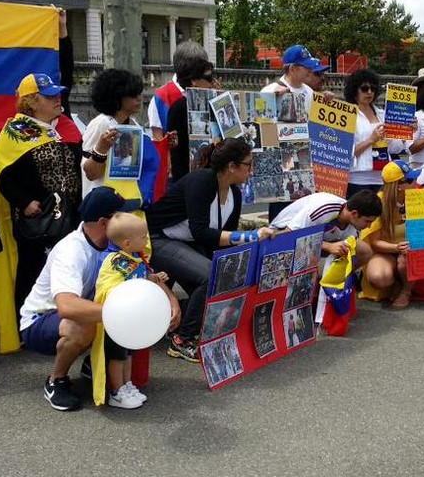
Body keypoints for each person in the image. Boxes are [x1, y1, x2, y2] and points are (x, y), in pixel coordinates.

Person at [144, 139, 274, 362]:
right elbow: (201, 231)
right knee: (211, 275)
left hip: (186, 241)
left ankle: (178, 321)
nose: (251, 170)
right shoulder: (202, 180)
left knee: (221, 277)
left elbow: (222, 241)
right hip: (157, 239)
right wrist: (251, 236)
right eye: (248, 164)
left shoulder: (235, 194)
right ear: (232, 166)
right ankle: (182, 341)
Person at [19, 187, 133, 410]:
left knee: (121, 307)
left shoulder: (115, 244)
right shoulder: (71, 250)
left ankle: (95, 363)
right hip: (39, 320)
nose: (128, 220)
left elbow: (142, 275)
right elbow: (67, 306)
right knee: (83, 324)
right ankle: (56, 380)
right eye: (121, 216)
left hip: (78, 313)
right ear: (103, 223)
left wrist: (168, 297)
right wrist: (120, 312)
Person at [0, 73, 83, 320]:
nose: (57, 99)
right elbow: (4, 174)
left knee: (64, 267)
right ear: (31, 102)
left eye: (58, 94)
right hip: (38, 217)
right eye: (49, 96)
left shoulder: (63, 126)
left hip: (68, 213)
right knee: (32, 268)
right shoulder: (16, 131)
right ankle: (27, 319)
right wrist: (24, 202)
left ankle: (60, 317)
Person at [92, 212, 180, 409]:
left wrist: (154, 278)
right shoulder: (117, 261)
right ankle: (116, 391)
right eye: (142, 237)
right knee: (117, 356)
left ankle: (127, 384)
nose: (146, 240)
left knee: (128, 353)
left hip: (130, 320)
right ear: (127, 243)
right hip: (118, 320)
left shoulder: (132, 257)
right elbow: (113, 286)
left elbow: (139, 276)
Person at [261, 44, 323, 219]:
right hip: (281, 163)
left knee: (302, 211)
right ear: (293, 68)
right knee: (280, 212)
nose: (310, 70)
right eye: (306, 66)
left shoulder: (309, 92)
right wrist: (273, 100)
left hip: (303, 159)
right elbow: (261, 127)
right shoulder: (270, 90)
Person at [363, 161, 422, 309]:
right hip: (387, 250)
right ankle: (397, 280)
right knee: (379, 278)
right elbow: (374, 243)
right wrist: (396, 248)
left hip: (412, 248)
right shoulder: (379, 201)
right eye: (410, 179)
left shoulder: (420, 196)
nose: (416, 182)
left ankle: (406, 290)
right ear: (399, 185)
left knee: (405, 260)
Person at [269, 190, 381, 268]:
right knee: (307, 256)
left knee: (364, 251)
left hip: (316, 240)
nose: (369, 226)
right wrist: (328, 246)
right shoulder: (324, 208)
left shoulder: (354, 224)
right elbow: (289, 235)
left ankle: (333, 283)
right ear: (354, 213)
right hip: (281, 233)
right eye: (368, 221)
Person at [80, 69, 146, 198]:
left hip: (126, 199)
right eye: (132, 95)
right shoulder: (101, 123)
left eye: (139, 93)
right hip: (102, 201)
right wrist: (101, 149)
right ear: (116, 97)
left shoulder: (134, 125)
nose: (139, 98)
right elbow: (90, 173)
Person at [164, 42, 219, 181]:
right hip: (189, 180)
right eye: (208, 78)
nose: (213, 82)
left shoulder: (213, 102)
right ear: (194, 81)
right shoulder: (179, 108)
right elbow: (177, 151)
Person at [346, 69, 405, 196]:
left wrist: (401, 133)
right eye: (364, 88)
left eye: (372, 88)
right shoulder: (347, 116)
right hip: (358, 179)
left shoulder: (383, 114)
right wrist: (371, 140)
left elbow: (396, 149)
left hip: (383, 176)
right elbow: (345, 152)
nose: (369, 92)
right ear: (354, 91)